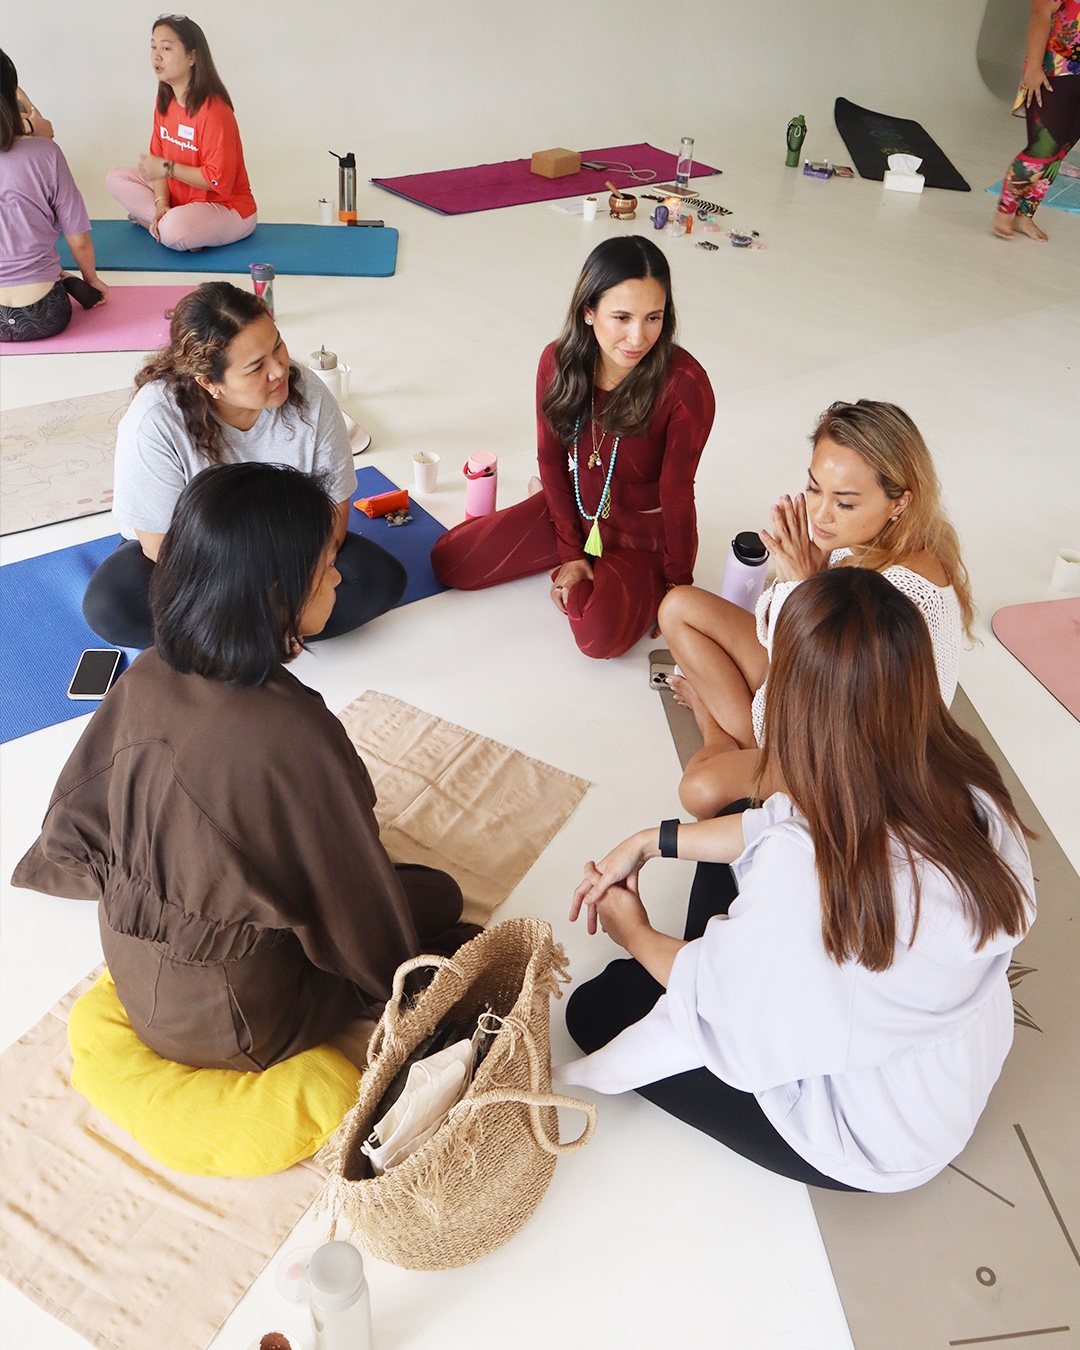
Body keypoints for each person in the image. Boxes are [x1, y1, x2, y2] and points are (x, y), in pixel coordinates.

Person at [559, 568, 1035, 1193]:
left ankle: (693, 957)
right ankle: (719, 951)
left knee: (598, 1007)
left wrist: (635, 933)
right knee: (739, 818)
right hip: (942, 1079)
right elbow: (779, 821)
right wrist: (652, 841)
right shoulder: (966, 780)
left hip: (869, 1138)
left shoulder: (804, 873)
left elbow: (721, 1013)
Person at [13, 464, 477, 1071]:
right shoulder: (293, 733)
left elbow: (78, 815)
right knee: (440, 900)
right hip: (239, 1021)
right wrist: (407, 983)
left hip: (130, 963)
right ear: (278, 594)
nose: (340, 576)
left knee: (406, 893)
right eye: (325, 566)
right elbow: (351, 898)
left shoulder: (148, 671)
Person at [660, 399, 972, 820]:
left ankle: (714, 726)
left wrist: (800, 587)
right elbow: (772, 635)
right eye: (813, 488)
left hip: (850, 748)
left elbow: (819, 693)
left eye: (845, 503)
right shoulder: (860, 538)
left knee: (700, 791)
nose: (820, 514)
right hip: (808, 686)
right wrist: (799, 581)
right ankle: (744, 744)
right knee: (678, 607)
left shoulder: (900, 593)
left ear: (899, 502)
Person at [430, 236, 715, 660]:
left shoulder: (685, 386)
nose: (638, 337)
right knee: (450, 561)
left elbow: (677, 493)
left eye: (653, 318)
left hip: (640, 539)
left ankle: (603, 576)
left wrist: (678, 585)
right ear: (588, 310)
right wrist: (571, 555)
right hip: (575, 510)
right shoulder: (558, 362)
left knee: (598, 638)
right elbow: (550, 458)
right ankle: (566, 551)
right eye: (622, 317)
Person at [82, 281, 404, 650]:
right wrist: (256, 597)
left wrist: (290, 582)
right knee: (113, 606)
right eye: (256, 367)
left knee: (377, 579)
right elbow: (160, 545)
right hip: (201, 564)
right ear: (210, 382)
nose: (279, 370)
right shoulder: (154, 419)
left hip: (291, 548)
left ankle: (228, 640)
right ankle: (267, 635)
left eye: (277, 346)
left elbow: (333, 512)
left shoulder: (308, 394)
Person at [106, 16, 256, 252]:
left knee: (173, 229)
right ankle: (169, 223)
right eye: (153, 47)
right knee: (116, 178)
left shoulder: (214, 111)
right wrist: (161, 203)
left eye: (166, 48)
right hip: (181, 201)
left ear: (192, 57)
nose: (156, 56)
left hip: (227, 207)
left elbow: (218, 180)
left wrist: (168, 168)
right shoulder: (165, 101)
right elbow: (156, 165)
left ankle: (156, 224)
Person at [0, 50, 107, 343]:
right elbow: (78, 239)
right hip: (43, 315)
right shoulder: (47, 153)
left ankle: (57, 276)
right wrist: (92, 280)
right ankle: (61, 278)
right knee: (51, 272)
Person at [993, 0, 1080, 241]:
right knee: (1043, 148)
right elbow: (1041, 12)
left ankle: (1024, 216)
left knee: (1059, 152)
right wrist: (1033, 67)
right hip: (1057, 70)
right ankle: (1004, 212)